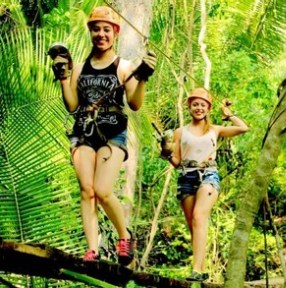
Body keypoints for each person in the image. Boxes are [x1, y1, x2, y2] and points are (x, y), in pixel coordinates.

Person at [51, 6, 156, 265]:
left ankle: (124, 235)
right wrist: (64, 78)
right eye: (96, 29)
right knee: (87, 191)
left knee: (102, 189)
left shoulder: (124, 67)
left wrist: (141, 78)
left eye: (106, 30)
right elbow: (73, 105)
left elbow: (134, 104)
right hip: (84, 130)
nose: (101, 34)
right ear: (91, 32)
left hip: (113, 132)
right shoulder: (81, 68)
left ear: (115, 33)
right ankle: (92, 249)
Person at [160, 88, 248, 282]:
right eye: (195, 104)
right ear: (189, 107)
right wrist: (167, 154)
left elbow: (243, 128)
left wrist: (229, 114)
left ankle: (197, 271)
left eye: (202, 105)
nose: (198, 108)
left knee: (200, 217)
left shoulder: (215, 130)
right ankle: (202, 267)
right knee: (194, 224)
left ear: (208, 108)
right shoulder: (180, 132)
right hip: (186, 178)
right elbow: (177, 162)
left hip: (208, 175)